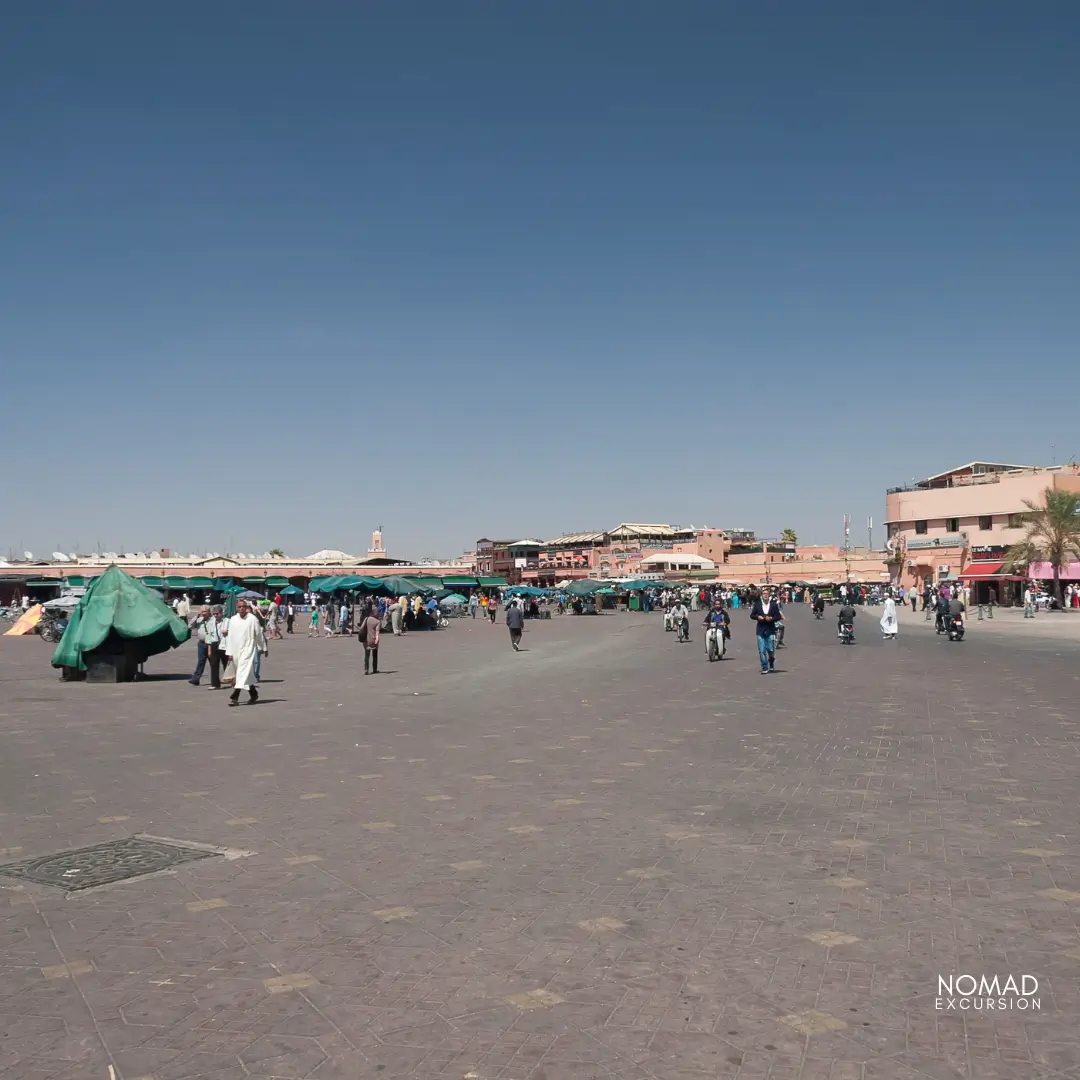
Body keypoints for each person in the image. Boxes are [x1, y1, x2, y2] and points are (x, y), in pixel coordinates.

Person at [225, 599, 267, 706]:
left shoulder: (252, 619)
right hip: (235, 651)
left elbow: (258, 634)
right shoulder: (233, 619)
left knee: (242, 672)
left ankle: (235, 696)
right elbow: (230, 637)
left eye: (243, 606)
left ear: (246, 607)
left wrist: (264, 647)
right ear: (236, 608)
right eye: (239, 607)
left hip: (248, 649)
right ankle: (253, 693)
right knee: (245, 674)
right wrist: (229, 652)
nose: (241, 608)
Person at [750, 587, 781, 673]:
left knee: (770, 649)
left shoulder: (773, 605)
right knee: (761, 650)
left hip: (770, 629)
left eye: (767, 594)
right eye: (764, 594)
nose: (765, 595)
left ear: (769, 595)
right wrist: (757, 617)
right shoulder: (758, 604)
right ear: (761, 595)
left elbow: (778, 616)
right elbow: (752, 615)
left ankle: (771, 663)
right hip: (760, 629)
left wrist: (771, 618)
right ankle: (764, 667)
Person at [188, 605, 214, 686]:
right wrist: (196, 616)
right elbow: (190, 626)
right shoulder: (199, 619)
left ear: (209, 612)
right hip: (201, 643)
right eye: (202, 612)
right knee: (201, 662)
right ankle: (196, 679)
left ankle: (215, 680)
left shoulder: (213, 620)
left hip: (211, 644)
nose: (203, 613)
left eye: (205, 612)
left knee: (213, 662)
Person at [358, 604, 381, 674]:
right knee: (375, 655)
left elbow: (361, 628)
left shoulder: (366, 619)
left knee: (366, 655)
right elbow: (377, 632)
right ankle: (374, 669)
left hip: (366, 640)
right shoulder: (378, 622)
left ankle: (366, 669)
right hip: (373, 640)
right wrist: (377, 639)